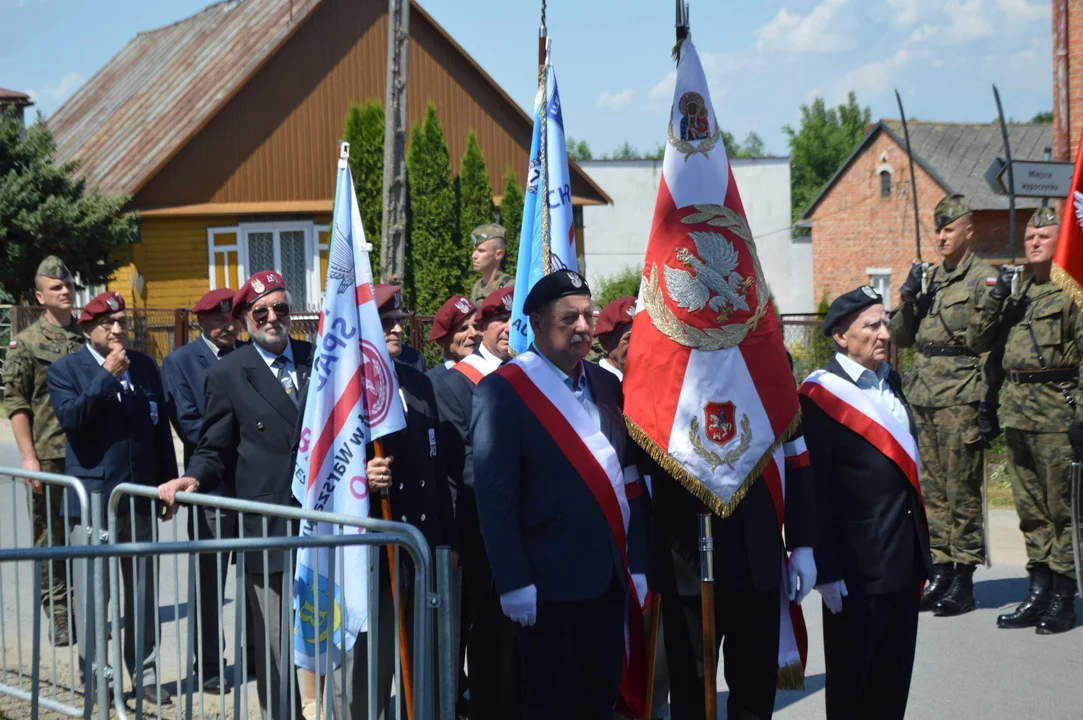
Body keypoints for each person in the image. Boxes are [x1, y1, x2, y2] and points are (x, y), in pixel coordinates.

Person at [471, 270, 647, 719]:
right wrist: (512, 580)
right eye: (569, 318)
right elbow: (495, 496)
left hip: (607, 577)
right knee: (552, 704)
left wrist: (639, 561)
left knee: (600, 699)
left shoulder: (607, 385)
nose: (585, 327)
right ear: (536, 323)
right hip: (545, 584)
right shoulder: (505, 390)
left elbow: (627, 479)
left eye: (588, 315)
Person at [157, 270, 308, 720]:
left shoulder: (317, 358)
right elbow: (213, 446)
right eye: (260, 311)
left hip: (322, 520)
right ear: (245, 320)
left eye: (280, 308)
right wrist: (194, 479)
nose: (272, 318)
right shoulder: (227, 373)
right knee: (277, 646)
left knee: (326, 639)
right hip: (269, 526)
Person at [800, 286, 931, 720]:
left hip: (903, 562)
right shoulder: (818, 397)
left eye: (884, 322)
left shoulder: (890, 381)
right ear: (841, 335)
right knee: (853, 691)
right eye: (871, 325)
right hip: (856, 573)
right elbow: (813, 489)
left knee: (892, 690)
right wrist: (827, 569)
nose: (884, 333)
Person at [46, 291, 176, 706]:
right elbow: (72, 420)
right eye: (108, 322)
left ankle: (146, 672)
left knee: (142, 590)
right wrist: (105, 375)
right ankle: (98, 680)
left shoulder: (144, 366)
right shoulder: (66, 369)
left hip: (138, 496)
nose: (119, 329)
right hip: (93, 500)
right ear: (87, 329)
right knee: (93, 596)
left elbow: (159, 430)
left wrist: (168, 483)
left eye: (121, 321)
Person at [342, 284, 458, 719]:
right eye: (384, 322)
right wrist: (360, 477)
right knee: (375, 664)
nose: (394, 328)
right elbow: (321, 466)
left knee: (424, 659)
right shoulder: (347, 389)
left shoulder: (417, 380)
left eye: (397, 320)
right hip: (377, 547)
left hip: (423, 544)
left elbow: (436, 466)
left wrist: (446, 541)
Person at [968, 207, 1080, 634]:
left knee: (1064, 511)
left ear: (1062, 240)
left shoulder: (1073, 292)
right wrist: (998, 302)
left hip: (1057, 414)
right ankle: (1038, 591)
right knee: (1029, 510)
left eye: (1044, 236)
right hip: (1017, 411)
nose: (1033, 242)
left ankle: (1064, 597)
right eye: (1030, 235)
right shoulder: (1019, 294)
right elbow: (979, 342)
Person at [887, 193, 996, 616]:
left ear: (969, 231)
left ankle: (964, 579)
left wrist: (987, 403)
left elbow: (987, 339)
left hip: (961, 396)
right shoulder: (930, 279)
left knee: (961, 491)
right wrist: (910, 295)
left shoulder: (983, 279)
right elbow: (901, 336)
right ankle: (942, 571)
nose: (941, 237)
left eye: (949, 229)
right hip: (926, 396)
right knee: (931, 492)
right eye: (938, 229)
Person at [434, 287, 524, 720]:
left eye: (515, 318)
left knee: (524, 640)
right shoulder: (456, 382)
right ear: (482, 327)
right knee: (490, 638)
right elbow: (465, 462)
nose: (508, 328)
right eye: (499, 320)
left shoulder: (527, 373)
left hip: (532, 529)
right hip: (483, 532)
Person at [160, 287, 244, 693]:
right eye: (220, 320)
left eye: (233, 318)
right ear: (202, 322)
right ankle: (210, 665)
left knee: (261, 578)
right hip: (210, 484)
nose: (229, 326)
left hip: (255, 485)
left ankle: (263, 654)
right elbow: (188, 423)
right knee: (209, 582)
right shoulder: (179, 362)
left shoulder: (247, 355)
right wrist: (241, 438)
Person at [1, 256, 83, 647]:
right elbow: (16, 402)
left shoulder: (88, 336)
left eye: (68, 286)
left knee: (95, 533)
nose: (65, 292)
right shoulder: (27, 343)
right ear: (40, 296)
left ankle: (92, 604)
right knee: (50, 538)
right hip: (50, 454)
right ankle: (61, 613)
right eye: (56, 288)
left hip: (90, 455)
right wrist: (29, 458)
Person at [426, 294, 479, 382]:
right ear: (444, 339)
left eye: (476, 326)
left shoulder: (490, 373)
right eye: (463, 328)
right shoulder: (429, 382)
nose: (474, 333)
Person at [469, 223, 514, 306]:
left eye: (481, 251)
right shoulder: (477, 286)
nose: (474, 256)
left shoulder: (508, 287)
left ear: (498, 255)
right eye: (474, 250)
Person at [593, 295, 635, 380]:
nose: (640, 344)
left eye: (643, 336)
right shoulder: (593, 386)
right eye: (629, 338)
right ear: (605, 344)